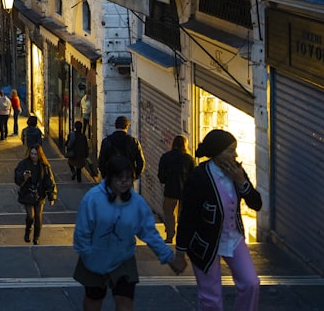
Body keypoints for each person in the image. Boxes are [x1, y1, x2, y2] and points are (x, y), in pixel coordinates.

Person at [73, 156, 184, 310]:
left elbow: (149, 232)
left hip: (123, 258)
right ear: (110, 177)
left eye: (128, 178)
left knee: (125, 304)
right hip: (95, 257)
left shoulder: (137, 203)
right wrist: (87, 253)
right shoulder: (93, 199)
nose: (124, 182)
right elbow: (82, 231)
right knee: (93, 301)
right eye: (119, 178)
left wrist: (168, 257)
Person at [171, 129, 262, 311]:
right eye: (230, 150)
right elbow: (187, 217)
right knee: (211, 297)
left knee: (251, 283)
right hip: (205, 243)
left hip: (233, 238)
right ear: (217, 152)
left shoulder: (237, 171)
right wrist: (180, 253)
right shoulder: (199, 177)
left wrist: (241, 181)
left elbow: (256, 203)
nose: (235, 154)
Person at [14, 145, 57, 245]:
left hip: (39, 194)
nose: (33, 156)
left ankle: (36, 237)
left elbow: (49, 180)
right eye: (32, 153)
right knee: (30, 215)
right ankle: (28, 230)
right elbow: (17, 178)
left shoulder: (44, 166)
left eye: (35, 154)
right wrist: (24, 177)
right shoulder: (23, 164)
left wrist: (52, 196)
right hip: (28, 193)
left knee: (38, 216)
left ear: (39, 155)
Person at [157, 134, 196, 243]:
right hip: (186, 191)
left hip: (170, 190)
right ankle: (184, 237)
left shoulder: (166, 157)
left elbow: (161, 175)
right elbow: (194, 176)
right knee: (184, 214)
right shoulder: (189, 158)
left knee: (169, 213)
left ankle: (170, 236)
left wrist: (166, 180)